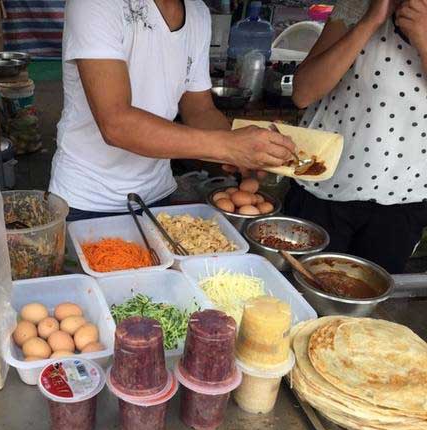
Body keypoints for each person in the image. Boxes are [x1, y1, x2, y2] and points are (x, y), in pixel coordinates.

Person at [49, 0, 296, 222]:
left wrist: (247, 151)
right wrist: (229, 146)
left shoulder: (198, 13)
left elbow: (199, 110)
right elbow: (116, 123)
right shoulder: (96, 4)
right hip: (88, 201)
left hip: (155, 199)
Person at [287, 0, 427, 273]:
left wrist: (423, 38)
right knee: (299, 292)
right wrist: (369, 22)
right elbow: (302, 93)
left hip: (402, 202)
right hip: (321, 183)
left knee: (364, 309)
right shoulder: (357, 6)